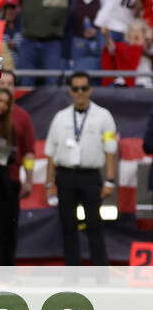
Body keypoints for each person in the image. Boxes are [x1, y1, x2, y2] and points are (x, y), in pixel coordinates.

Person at [44, 71, 117, 266]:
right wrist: (49, 183)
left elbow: (111, 151)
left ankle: (100, 274)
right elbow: (51, 152)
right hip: (65, 176)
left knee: (94, 226)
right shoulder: (60, 117)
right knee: (68, 226)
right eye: (76, 89)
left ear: (90, 90)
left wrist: (110, 180)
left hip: (90, 176)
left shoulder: (103, 116)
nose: (80, 92)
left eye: (84, 88)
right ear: (70, 91)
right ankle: (72, 276)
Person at [0, 88, 35, 265]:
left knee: (3, 229)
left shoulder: (13, 123)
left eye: (6, 102)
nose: (3, 106)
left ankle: (2, 269)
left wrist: (28, 179)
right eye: (0, 101)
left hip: (4, 181)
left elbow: (27, 152)